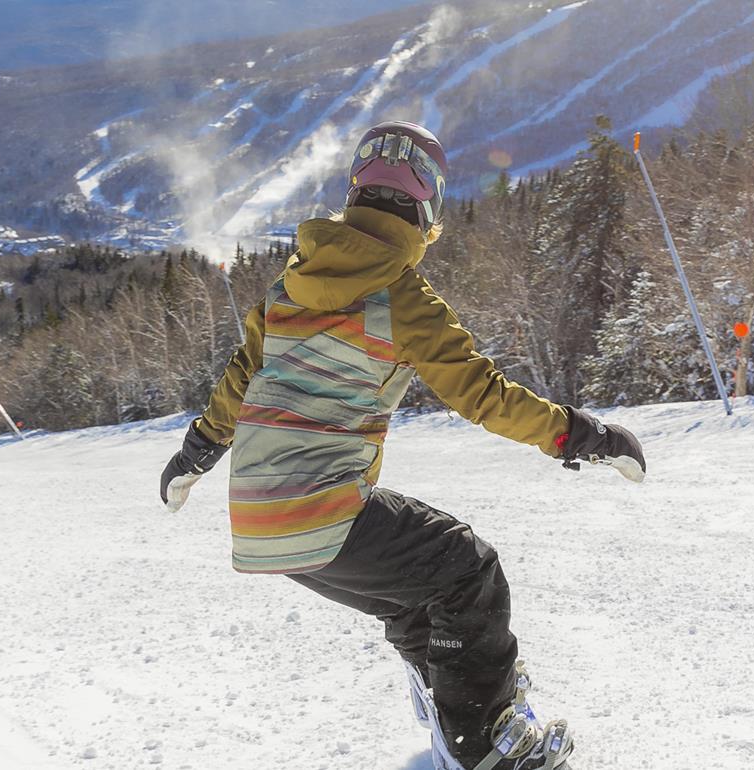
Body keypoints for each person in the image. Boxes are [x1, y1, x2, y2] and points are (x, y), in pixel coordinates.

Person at [158, 121, 645, 770]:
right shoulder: (401, 295)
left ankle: (451, 702)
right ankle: (487, 744)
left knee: (421, 589)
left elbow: (237, 384)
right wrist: (582, 434)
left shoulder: (288, 289)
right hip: (320, 510)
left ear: (356, 193)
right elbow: (484, 394)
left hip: (256, 515)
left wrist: (194, 455)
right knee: (468, 569)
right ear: (427, 208)